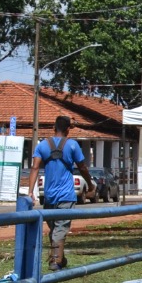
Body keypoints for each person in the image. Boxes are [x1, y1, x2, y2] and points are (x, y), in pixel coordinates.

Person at [23, 115, 93, 269]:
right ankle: (55, 261)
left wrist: (30, 191)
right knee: (58, 229)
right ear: (68, 130)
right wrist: (90, 184)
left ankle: (59, 258)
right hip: (66, 196)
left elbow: (35, 167)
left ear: (53, 128)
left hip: (49, 196)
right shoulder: (72, 145)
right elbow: (82, 167)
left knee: (56, 229)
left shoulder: (42, 145)